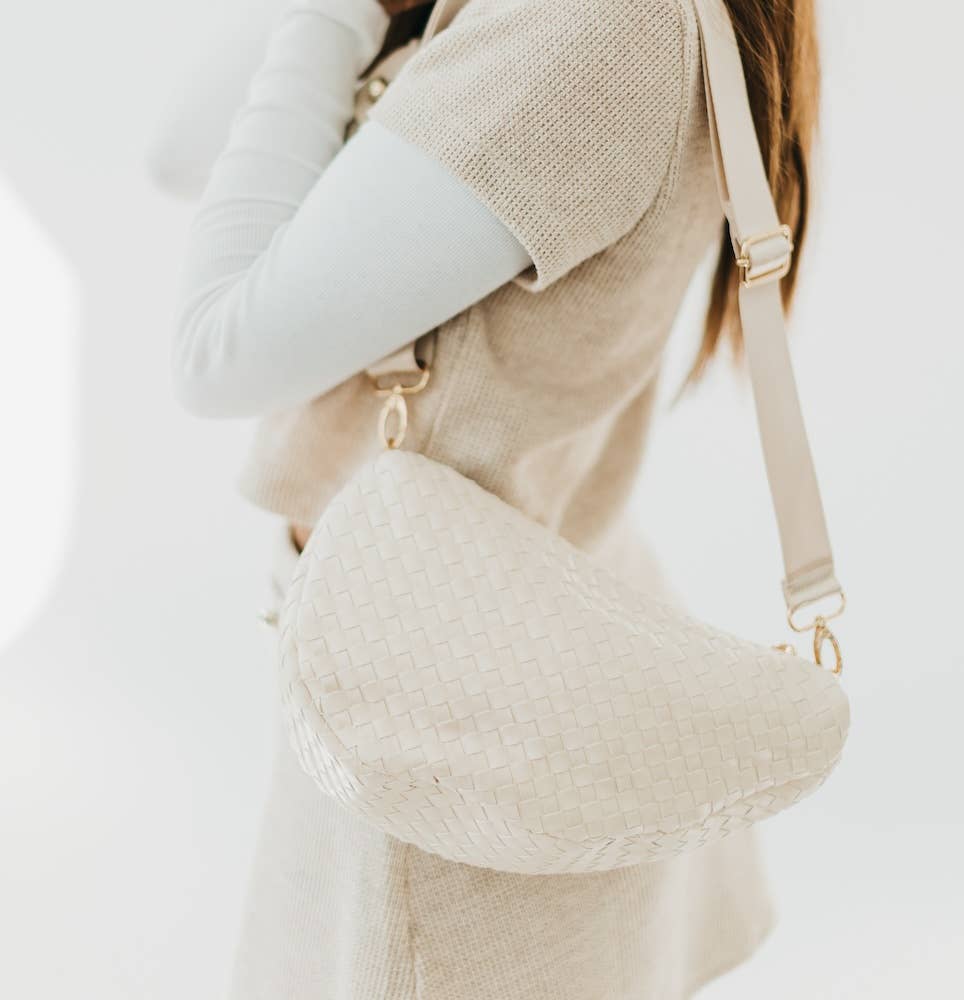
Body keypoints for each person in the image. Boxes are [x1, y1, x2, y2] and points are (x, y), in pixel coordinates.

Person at [153, 0, 820, 995]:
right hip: (488, 652)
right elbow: (180, 148)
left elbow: (216, 352)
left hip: (438, 731)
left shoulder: (586, 29)